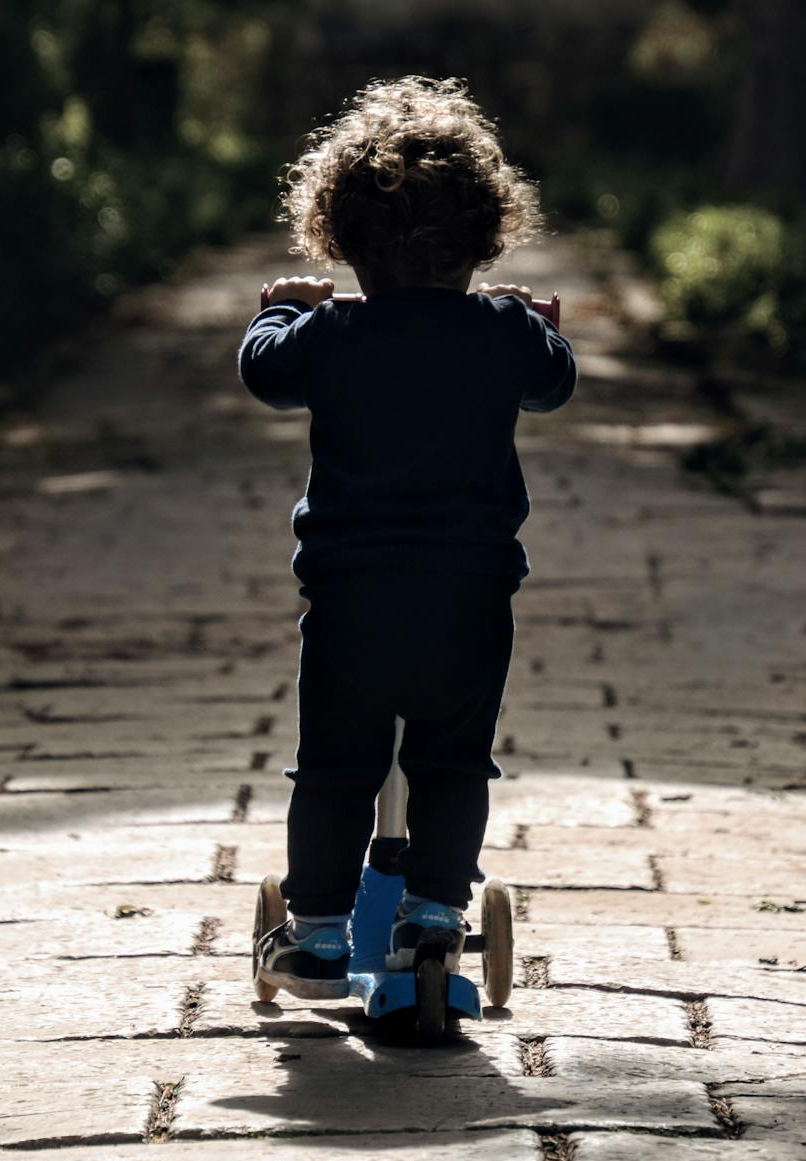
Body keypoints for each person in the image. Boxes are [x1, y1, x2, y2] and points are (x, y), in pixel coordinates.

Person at [237, 76, 576, 998]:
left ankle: (312, 930)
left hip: (351, 597)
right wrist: (540, 325)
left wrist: (280, 307)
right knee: (453, 759)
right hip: (468, 597)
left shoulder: (330, 334)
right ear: (485, 234)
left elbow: (264, 373)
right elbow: (555, 382)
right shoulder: (500, 330)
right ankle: (432, 913)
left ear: (339, 240)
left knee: (336, 765)